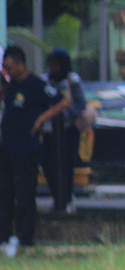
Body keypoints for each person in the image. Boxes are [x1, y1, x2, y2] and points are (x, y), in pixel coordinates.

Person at [0, 45, 62, 257]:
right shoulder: (11, 87)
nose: (8, 71)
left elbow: (61, 101)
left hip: (26, 149)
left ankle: (25, 238)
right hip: (7, 148)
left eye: (10, 67)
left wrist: (41, 119)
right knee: (5, 193)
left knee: (25, 194)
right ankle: (4, 236)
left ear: (20, 64)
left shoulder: (35, 85)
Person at [41, 49, 87, 214]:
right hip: (49, 130)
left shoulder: (71, 80)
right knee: (48, 164)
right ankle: (56, 197)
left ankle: (66, 199)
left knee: (66, 166)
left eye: (56, 64)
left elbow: (80, 104)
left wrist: (65, 113)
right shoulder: (45, 81)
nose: (53, 68)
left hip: (67, 131)